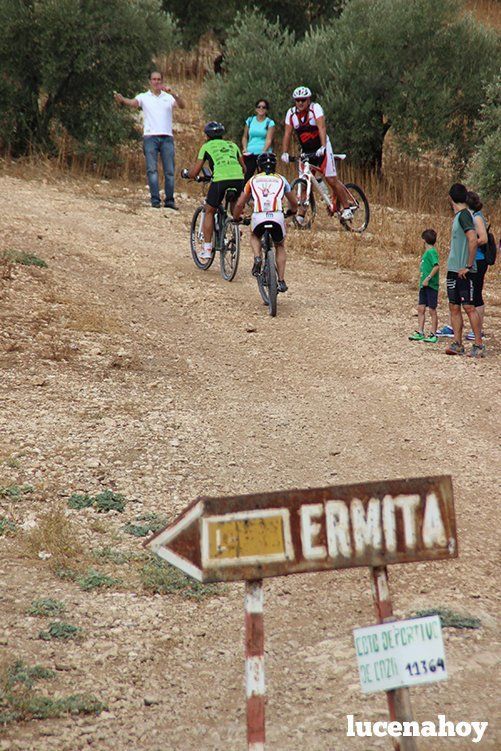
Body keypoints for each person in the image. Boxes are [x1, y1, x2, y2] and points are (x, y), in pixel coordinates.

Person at [280, 86, 354, 222]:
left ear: (308, 100)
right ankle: (301, 217)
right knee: (304, 183)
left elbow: (322, 128)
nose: (300, 103)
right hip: (307, 151)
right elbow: (287, 134)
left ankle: (347, 208)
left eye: (303, 100)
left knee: (331, 179)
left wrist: (323, 146)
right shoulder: (291, 114)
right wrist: (284, 152)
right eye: (297, 100)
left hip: (322, 147)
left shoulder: (315, 108)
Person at [114, 71, 185, 209]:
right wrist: (122, 100)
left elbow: (182, 105)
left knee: (169, 170)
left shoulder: (168, 97)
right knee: (152, 170)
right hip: (150, 137)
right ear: (150, 82)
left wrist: (174, 93)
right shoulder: (144, 97)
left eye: (159, 79)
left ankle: (170, 201)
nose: (156, 82)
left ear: (162, 81)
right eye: (154, 79)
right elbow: (133, 102)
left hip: (167, 137)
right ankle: (155, 200)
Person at [232, 152, 298, 292]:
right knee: (279, 245)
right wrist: (292, 211)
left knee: (254, 235)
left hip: (259, 217)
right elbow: (294, 201)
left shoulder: (253, 180)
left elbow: (239, 204)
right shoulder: (282, 179)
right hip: (277, 217)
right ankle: (281, 280)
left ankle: (257, 257)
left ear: (258, 166)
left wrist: (236, 217)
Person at [183, 122, 245, 259]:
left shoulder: (206, 146)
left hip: (220, 180)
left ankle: (207, 248)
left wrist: (188, 174)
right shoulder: (233, 145)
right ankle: (236, 229)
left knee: (210, 210)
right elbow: (244, 168)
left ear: (207, 135)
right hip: (239, 178)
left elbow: (195, 171)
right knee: (234, 201)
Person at [445, 183, 484, 357]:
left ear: (450, 198)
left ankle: (478, 345)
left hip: (464, 271)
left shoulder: (464, 216)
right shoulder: (459, 216)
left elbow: (473, 239)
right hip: (454, 269)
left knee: (468, 307)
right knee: (454, 306)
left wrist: (468, 266)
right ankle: (457, 344)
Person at [409, 229, 440, 343]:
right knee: (421, 308)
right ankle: (420, 331)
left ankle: (433, 333)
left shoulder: (431, 252)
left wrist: (428, 278)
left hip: (431, 285)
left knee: (432, 309)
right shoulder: (427, 253)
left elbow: (436, 266)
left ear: (424, 240)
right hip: (424, 286)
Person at [465, 191, 488, 340]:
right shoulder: (473, 216)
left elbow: (483, 238)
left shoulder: (477, 217)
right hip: (475, 259)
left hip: (479, 260)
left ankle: (478, 330)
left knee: (477, 295)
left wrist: (470, 243)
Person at [241, 99, 275, 183]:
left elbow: (269, 139)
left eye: (264, 107)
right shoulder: (250, 121)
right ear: (256, 109)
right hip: (250, 153)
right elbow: (245, 137)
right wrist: (245, 148)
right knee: (247, 178)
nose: (261, 109)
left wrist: (263, 151)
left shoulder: (269, 122)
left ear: (266, 110)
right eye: (259, 107)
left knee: (264, 178)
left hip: (264, 154)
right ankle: (246, 195)